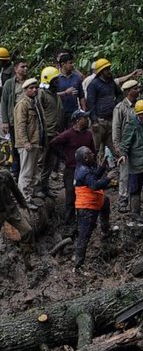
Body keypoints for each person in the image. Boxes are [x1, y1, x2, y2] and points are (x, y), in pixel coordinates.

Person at [50, 110, 95, 235]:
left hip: (86, 171)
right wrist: (64, 157)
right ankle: (68, 224)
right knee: (71, 196)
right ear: (77, 120)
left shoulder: (88, 135)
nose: (87, 120)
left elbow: (93, 151)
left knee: (86, 195)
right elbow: (53, 143)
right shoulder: (68, 134)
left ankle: (85, 221)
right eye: (84, 118)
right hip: (71, 170)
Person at [73, 146, 114, 271]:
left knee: (106, 203)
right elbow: (94, 185)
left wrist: (102, 167)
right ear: (85, 158)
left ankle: (105, 230)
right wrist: (108, 178)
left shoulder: (85, 168)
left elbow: (94, 176)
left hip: (96, 202)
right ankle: (78, 265)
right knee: (84, 235)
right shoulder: (83, 171)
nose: (93, 155)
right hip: (87, 207)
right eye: (91, 154)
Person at [13, 78, 47, 211]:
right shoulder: (23, 104)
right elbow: (21, 125)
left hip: (35, 142)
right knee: (26, 172)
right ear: (25, 90)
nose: (34, 90)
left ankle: (29, 196)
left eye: (35, 87)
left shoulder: (35, 103)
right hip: (27, 143)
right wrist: (26, 141)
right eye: (31, 88)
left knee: (33, 172)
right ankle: (24, 199)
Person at [0, 150, 34, 270]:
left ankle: (27, 260)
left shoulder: (5, 175)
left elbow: (16, 191)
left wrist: (24, 204)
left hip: (11, 210)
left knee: (28, 231)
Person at [86, 58, 123, 161]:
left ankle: (117, 170)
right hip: (99, 121)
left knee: (116, 148)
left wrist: (116, 104)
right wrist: (94, 121)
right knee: (95, 149)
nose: (109, 71)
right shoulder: (94, 85)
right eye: (107, 69)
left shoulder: (111, 82)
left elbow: (119, 93)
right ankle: (94, 172)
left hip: (111, 120)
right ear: (101, 72)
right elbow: (90, 103)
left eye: (109, 69)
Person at [112, 79, 140, 212]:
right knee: (124, 174)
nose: (138, 90)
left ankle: (135, 197)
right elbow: (116, 128)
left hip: (138, 145)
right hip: (125, 145)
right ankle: (123, 199)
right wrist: (117, 147)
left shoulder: (139, 105)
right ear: (129, 91)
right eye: (135, 88)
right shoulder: (120, 108)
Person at [1, 58, 29, 179]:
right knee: (15, 145)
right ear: (16, 69)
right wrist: (5, 121)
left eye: (26, 67)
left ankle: (25, 171)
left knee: (27, 146)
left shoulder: (30, 83)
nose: (25, 69)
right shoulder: (9, 84)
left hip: (28, 120)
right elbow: (4, 102)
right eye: (22, 67)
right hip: (14, 121)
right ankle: (16, 171)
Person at [38, 67, 64, 197]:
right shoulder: (41, 94)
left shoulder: (55, 94)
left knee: (50, 162)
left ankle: (45, 187)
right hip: (46, 134)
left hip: (55, 133)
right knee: (41, 162)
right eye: (55, 79)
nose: (58, 81)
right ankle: (37, 188)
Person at [56, 52, 86, 128]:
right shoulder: (56, 79)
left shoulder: (77, 78)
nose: (72, 65)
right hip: (59, 113)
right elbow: (52, 95)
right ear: (63, 64)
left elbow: (81, 96)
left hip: (74, 112)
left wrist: (83, 112)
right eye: (70, 63)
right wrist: (65, 93)